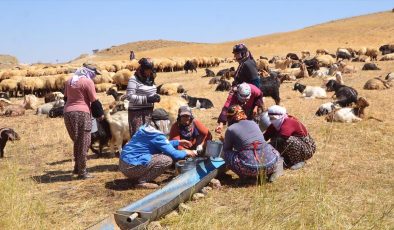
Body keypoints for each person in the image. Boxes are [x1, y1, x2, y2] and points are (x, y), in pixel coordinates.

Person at [119, 109, 197, 189]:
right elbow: (174, 154)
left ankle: (136, 177)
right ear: (161, 122)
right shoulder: (156, 135)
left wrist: (178, 142)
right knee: (166, 160)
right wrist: (187, 152)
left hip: (123, 163)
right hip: (131, 167)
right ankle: (142, 181)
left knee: (159, 156)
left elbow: (160, 144)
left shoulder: (145, 129)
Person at [222, 105, 283, 182]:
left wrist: (224, 141)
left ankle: (247, 178)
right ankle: (271, 172)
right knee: (268, 146)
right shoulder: (253, 123)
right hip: (271, 163)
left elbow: (227, 148)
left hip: (251, 168)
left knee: (227, 154)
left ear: (230, 118)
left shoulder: (231, 129)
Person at [63, 63, 104, 179]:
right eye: (94, 74)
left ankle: (77, 168)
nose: (95, 76)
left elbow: (65, 98)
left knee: (77, 141)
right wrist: (100, 115)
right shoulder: (87, 82)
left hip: (67, 113)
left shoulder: (69, 80)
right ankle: (83, 172)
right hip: (82, 113)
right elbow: (94, 100)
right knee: (84, 142)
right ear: (89, 72)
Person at [263, 105, 316, 170]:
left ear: (281, 116)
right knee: (274, 138)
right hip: (294, 148)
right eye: (270, 118)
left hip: (306, 149)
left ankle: (299, 161)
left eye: (274, 118)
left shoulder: (289, 122)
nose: (272, 120)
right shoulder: (274, 125)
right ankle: (287, 159)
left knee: (287, 140)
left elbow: (281, 139)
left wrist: (265, 148)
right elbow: (265, 137)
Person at [124, 58, 161, 137]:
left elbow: (151, 91)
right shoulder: (134, 79)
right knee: (139, 137)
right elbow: (129, 96)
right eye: (147, 69)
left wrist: (156, 96)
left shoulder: (150, 79)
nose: (149, 72)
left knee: (149, 137)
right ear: (142, 69)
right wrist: (146, 99)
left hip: (149, 112)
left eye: (150, 69)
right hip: (137, 114)